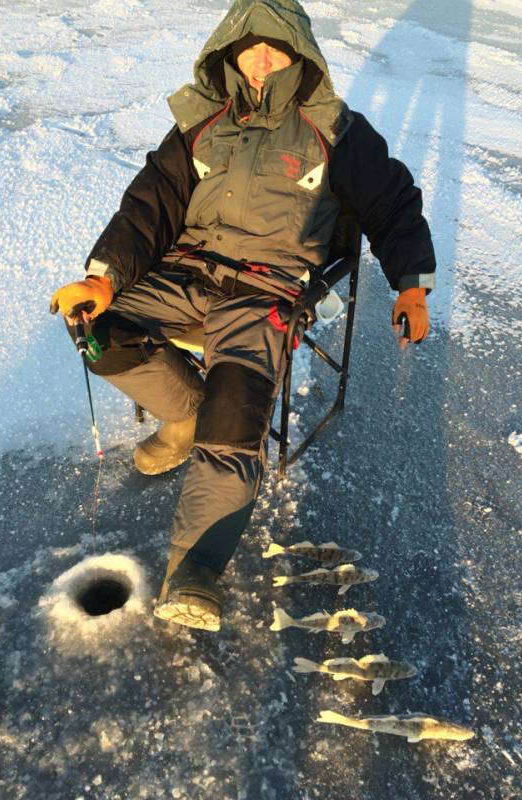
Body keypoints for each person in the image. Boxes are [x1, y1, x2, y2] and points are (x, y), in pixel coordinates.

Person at [50, 0, 436, 632]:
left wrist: (411, 284)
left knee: (237, 403)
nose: (261, 58)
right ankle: (184, 415)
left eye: (275, 47)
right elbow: (149, 207)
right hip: (188, 271)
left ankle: (195, 569)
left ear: (299, 55)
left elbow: (393, 203)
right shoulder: (201, 126)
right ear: (227, 51)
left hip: (268, 286)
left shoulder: (334, 128)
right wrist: (104, 277)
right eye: (248, 46)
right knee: (98, 329)